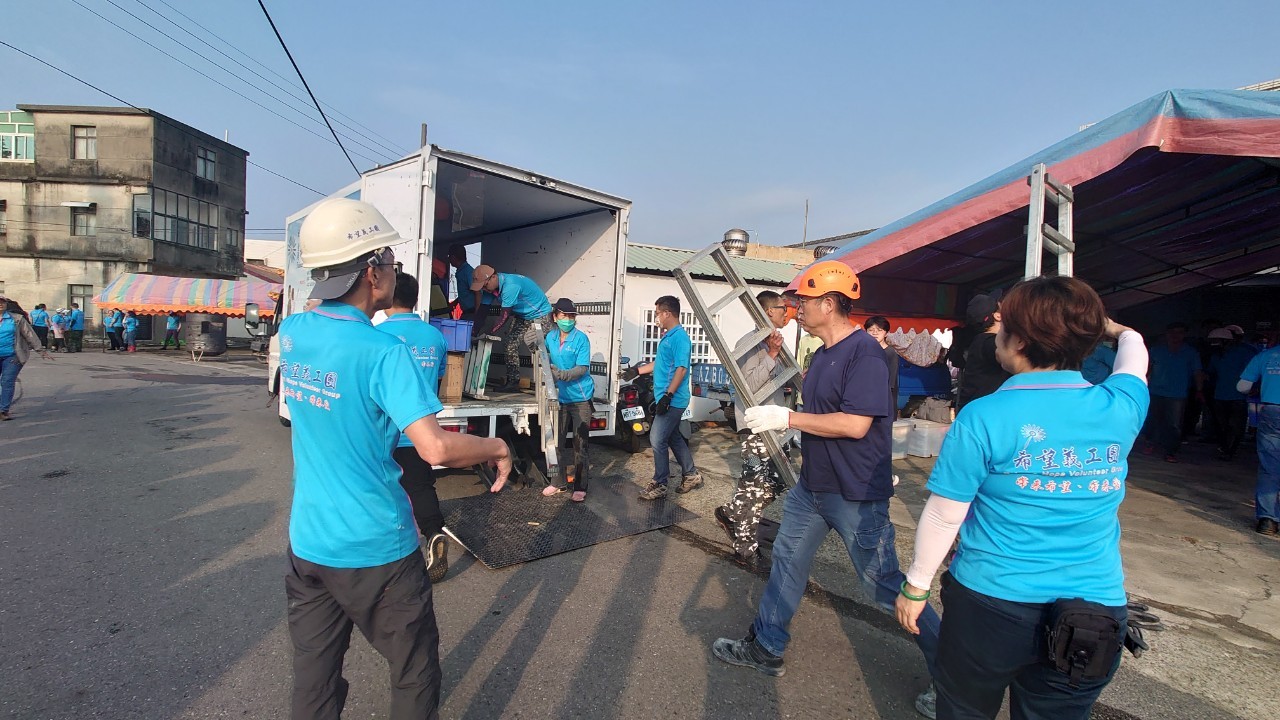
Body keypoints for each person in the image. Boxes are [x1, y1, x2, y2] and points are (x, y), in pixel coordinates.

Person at [279, 197, 512, 720]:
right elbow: (436, 447)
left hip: (309, 543)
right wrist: (498, 447)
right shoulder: (383, 352)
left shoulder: (292, 332)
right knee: (413, 670)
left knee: (314, 679)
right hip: (376, 547)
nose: (391, 269)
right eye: (388, 260)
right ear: (371, 273)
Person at [895, 276, 1149, 720]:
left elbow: (944, 515)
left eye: (1003, 325)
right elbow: (1135, 351)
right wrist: (1112, 329)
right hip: (1093, 612)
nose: (995, 331)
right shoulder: (1120, 404)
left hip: (991, 604)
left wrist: (916, 586)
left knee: (964, 709)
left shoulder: (984, 415)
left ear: (1020, 341)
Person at [711, 262, 939, 719]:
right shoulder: (821, 356)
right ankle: (766, 647)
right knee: (786, 559)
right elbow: (823, 417)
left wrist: (787, 418)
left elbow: (855, 425)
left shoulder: (864, 355)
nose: (795, 308)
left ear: (830, 304)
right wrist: (796, 431)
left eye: (804, 301)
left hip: (854, 492)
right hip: (813, 487)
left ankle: (955, 677)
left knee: (883, 584)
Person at [377, 271, 452, 582]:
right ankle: (434, 532)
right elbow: (439, 378)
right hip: (423, 429)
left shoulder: (378, 335)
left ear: (388, 297)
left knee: (383, 491)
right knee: (421, 487)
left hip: (386, 431)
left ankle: (392, 553)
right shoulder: (435, 336)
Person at [714, 290, 793, 566]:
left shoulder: (774, 341)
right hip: (756, 427)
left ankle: (731, 513)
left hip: (776, 424)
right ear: (769, 311)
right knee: (754, 489)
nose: (787, 313)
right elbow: (747, 386)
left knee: (779, 482)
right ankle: (745, 547)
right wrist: (772, 354)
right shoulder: (749, 343)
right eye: (783, 308)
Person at [628, 295, 704, 501]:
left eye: (658, 313)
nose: (657, 318)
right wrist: (636, 371)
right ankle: (691, 475)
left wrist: (668, 396)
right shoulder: (668, 337)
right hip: (666, 397)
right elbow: (660, 363)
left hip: (673, 399)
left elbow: (681, 368)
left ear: (667, 313)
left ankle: (660, 483)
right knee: (673, 437)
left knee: (657, 438)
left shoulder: (680, 338)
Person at [469, 264, 553, 393]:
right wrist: (473, 332)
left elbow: (504, 316)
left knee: (537, 346)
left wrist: (488, 333)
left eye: (484, 286)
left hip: (540, 315)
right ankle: (513, 382)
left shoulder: (511, 286)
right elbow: (482, 312)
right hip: (523, 316)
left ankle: (551, 381)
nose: (484, 289)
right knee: (510, 344)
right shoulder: (491, 290)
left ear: (493, 277)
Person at [542, 298, 595, 502]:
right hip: (560, 397)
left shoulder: (581, 339)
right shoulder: (551, 337)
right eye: (565, 315)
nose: (569, 319)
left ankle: (580, 486)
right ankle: (557, 482)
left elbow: (582, 368)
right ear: (555, 317)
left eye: (572, 316)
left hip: (580, 397)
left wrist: (563, 375)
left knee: (580, 444)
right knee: (554, 442)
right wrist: (531, 343)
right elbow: (541, 353)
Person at [1144, 321, 1204, 462]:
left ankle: (1170, 451)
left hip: (1177, 394)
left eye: (1179, 332)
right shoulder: (1156, 350)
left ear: (1184, 335)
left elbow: (1197, 372)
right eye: (1172, 332)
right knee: (1152, 420)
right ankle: (1150, 443)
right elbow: (1148, 369)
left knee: (1174, 425)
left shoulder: (1190, 352)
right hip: (1155, 391)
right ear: (1166, 334)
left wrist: (1199, 390)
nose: (1175, 335)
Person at [1237, 342, 1280, 536]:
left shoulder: (1265, 356)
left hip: (1272, 411)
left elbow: (1242, 386)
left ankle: (1267, 520)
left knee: (1269, 466)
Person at [1207, 327, 1257, 461]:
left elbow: (1254, 372)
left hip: (1238, 396)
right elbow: (1211, 373)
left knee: (1236, 425)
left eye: (1217, 341)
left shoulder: (1245, 352)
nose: (1214, 344)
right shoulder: (1216, 356)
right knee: (1221, 425)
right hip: (1219, 395)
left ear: (1226, 341)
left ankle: (1231, 450)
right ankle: (1225, 448)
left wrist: (1254, 387)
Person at [955, 293, 1010, 413]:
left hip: (975, 411)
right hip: (983, 414)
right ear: (998, 316)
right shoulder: (989, 343)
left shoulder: (981, 341)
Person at [0, 296, 53, 421]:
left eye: (2, 302)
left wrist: (40, 350)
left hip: (12, 355)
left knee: (7, 381)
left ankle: (3, 410)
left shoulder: (17, 319)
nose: (0, 304)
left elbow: (29, 334)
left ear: (6, 304)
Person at [865, 315, 900, 415]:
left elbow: (891, 382)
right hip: (866, 397)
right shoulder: (863, 351)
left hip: (883, 399)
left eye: (879, 330)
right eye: (871, 330)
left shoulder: (890, 353)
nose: (875, 333)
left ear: (886, 333)